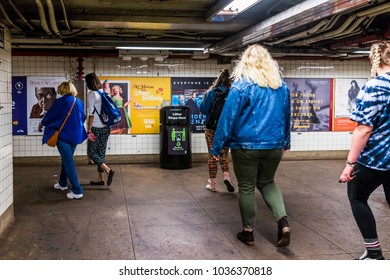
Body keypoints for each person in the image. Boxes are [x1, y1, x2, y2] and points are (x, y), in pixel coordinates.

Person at [210, 44, 291, 247]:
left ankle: (248, 232)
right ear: (269, 62)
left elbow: (228, 119)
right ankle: (283, 222)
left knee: (246, 187)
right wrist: (286, 141)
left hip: (246, 146)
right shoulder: (281, 86)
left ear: (244, 62)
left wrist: (217, 147)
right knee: (268, 182)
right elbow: (286, 116)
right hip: (274, 145)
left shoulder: (240, 86)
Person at [339, 40, 390, 260]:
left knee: (357, 196)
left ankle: (374, 252)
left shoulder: (375, 85)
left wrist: (350, 164)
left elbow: (363, 130)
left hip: (376, 158)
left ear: (374, 59)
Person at [38, 81, 88, 199]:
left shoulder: (60, 102)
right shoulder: (79, 102)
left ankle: (77, 190)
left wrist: (42, 123)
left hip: (64, 136)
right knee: (67, 159)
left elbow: (50, 115)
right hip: (75, 136)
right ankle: (62, 183)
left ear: (63, 90)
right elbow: (83, 117)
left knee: (68, 161)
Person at [200, 69, 235, 192]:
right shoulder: (233, 93)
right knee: (224, 153)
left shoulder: (212, 92)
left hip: (211, 128)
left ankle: (213, 184)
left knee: (212, 154)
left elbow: (204, 110)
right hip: (226, 129)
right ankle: (226, 176)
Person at [85, 73, 115, 186]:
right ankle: (100, 178)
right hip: (106, 127)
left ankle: (108, 170)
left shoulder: (91, 94)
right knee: (100, 153)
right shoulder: (103, 92)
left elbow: (91, 114)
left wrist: (89, 130)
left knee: (91, 152)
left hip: (96, 128)